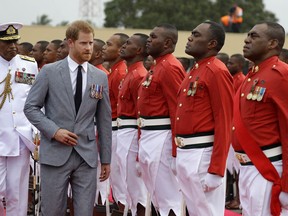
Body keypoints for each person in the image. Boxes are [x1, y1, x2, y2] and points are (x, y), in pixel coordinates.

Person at [24, 20, 112, 216]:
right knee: (53, 210)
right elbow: (30, 108)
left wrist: (106, 159)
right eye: (84, 43)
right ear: (70, 42)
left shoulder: (100, 77)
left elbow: (105, 120)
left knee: (84, 211)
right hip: (55, 152)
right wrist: (54, 131)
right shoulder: (49, 72)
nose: (89, 48)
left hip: (86, 156)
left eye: (91, 43)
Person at [174, 21, 234, 216]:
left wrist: (216, 169)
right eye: (191, 33)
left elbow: (224, 121)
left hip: (202, 154)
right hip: (186, 151)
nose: (190, 37)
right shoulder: (194, 71)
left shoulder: (217, 71)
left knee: (207, 212)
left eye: (197, 34)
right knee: (194, 211)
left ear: (211, 44)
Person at [232, 22, 288, 216]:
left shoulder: (280, 74)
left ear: (272, 43)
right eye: (248, 35)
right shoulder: (253, 76)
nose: (246, 39)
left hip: (267, 168)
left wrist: (287, 184)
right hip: (247, 167)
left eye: (254, 36)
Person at [137, 23, 186, 216]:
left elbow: (177, 110)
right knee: (157, 197)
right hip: (150, 135)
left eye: (153, 37)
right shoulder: (159, 66)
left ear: (167, 42)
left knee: (169, 199)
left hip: (162, 137)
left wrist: (175, 152)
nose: (148, 40)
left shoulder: (170, 67)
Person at [0, 22, 38, 216]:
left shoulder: (29, 64)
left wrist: (37, 130)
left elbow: (37, 99)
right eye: (6, 42)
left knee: (17, 192)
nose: (12, 46)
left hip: (20, 137)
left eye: (15, 41)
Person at [117, 33, 149, 216]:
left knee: (138, 191)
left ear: (138, 50)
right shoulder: (130, 73)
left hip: (131, 132)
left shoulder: (139, 75)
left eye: (128, 43)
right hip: (123, 131)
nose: (123, 46)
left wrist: (139, 147)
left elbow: (140, 114)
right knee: (127, 185)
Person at [102, 33, 128, 213]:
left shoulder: (121, 72)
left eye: (109, 44)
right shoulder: (114, 71)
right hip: (112, 128)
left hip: (118, 129)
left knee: (121, 180)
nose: (104, 47)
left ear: (120, 49)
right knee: (117, 181)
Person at [225, 53, 246, 210]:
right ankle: (236, 199)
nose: (228, 66)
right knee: (232, 169)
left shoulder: (241, 80)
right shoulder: (232, 79)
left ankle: (238, 199)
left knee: (238, 168)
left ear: (239, 65)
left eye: (231, 63)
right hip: (231, 127)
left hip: (236, 128)